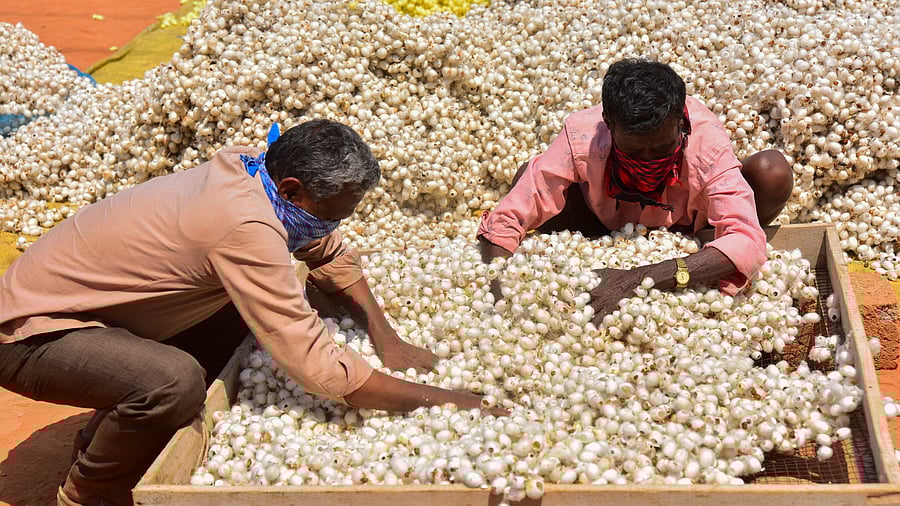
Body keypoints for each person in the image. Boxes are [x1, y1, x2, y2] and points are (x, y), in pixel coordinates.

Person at [0, 119, 501, 506]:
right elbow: (317, 369)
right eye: (331, 214)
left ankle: (104, 436)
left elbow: (327, 253)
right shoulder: (243, 225)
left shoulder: (252, 171)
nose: (332, 226)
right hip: (29, 333)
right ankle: (87, 494)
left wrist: (385, 337)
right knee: (173, 382)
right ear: (292, 189)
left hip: (92, 312)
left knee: (243, 322)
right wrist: (448, 401)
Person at [477, 58, 794, 322]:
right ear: (609, 124)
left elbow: (748, 241)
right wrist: (501, 297)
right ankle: (699, 257)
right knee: (529, 177)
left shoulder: (705, 141)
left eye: (661, 148)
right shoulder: (583, 134)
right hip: (605, 226)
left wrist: (641, 277)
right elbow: (505, 221)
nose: (648, 160)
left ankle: (708, 247)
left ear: (679, 123)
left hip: (692, 224)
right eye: (634, 152)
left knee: (771, 172)